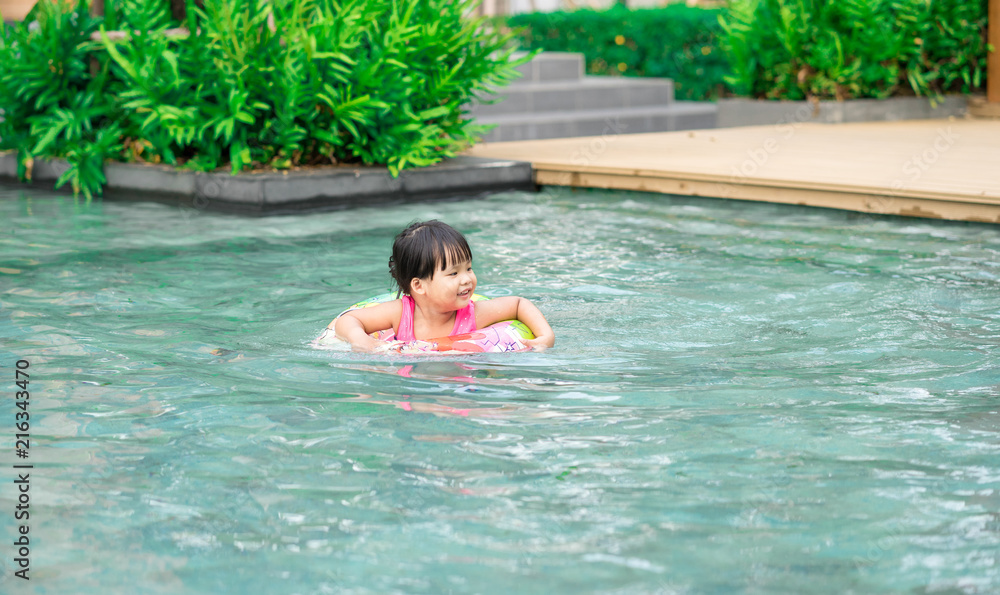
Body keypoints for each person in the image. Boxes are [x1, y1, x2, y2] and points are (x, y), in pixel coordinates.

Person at [331, 220, 555, 353]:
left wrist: (545, 336)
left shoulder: (473, 315)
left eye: (468, 268)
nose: (467, 279)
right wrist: (362, 340)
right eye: (454, 273)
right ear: (419, 286)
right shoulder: (400, 313)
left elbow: (518, 304)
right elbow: (348, 320)